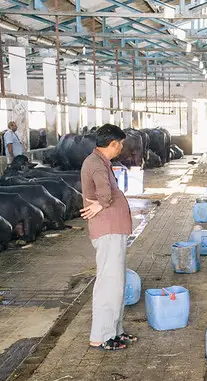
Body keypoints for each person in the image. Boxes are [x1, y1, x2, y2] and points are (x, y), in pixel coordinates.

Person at [80, 124, 135, 351]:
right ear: (113, 143)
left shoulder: (100, 162)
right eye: (120, 144)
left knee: (116, 283)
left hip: (112, 230)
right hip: (108, 231)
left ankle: (115, 331)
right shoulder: (97, 165)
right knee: (109, 284)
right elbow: (104, 193)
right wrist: (100, 204)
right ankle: (101, 336)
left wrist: (100, 204)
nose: (121, 148)